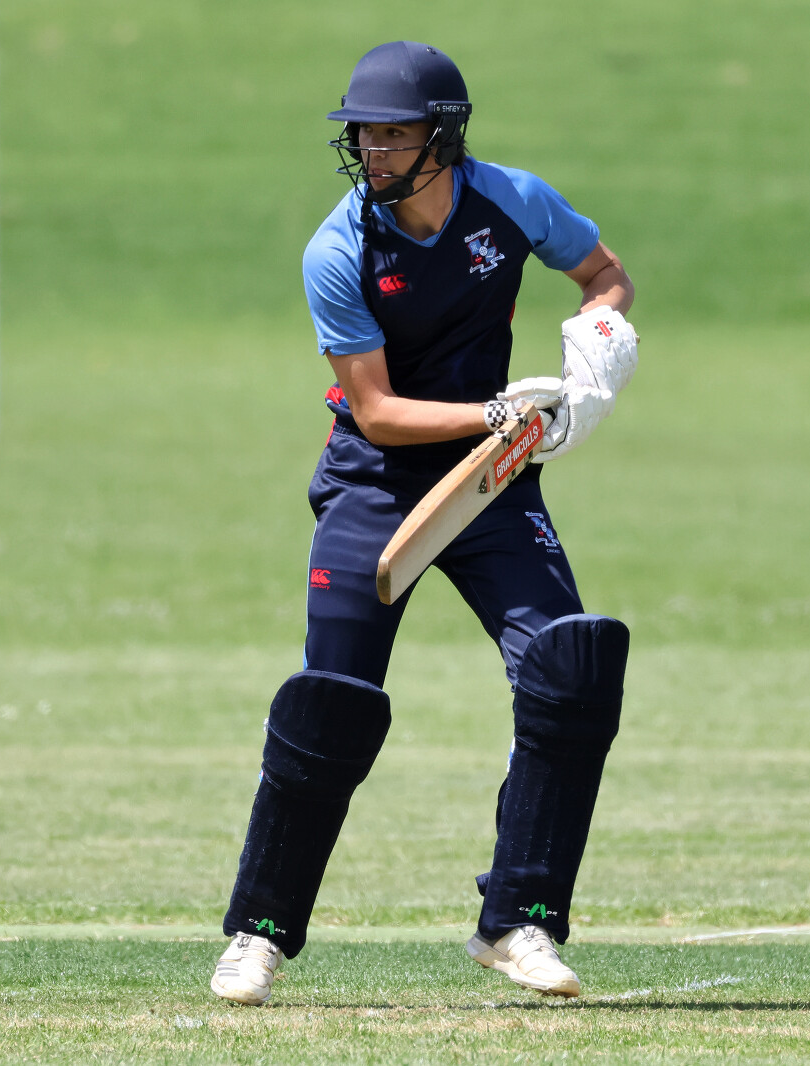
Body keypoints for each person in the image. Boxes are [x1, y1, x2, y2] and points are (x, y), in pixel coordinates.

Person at [209, 41, 638, 1005]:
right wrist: (501, 413)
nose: (373, 150)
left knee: (570, 670)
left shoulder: (514, 200)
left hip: (492, 480)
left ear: (443, 137)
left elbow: (604, 273)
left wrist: (600, 347)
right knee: (332, 702)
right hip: (376, 483)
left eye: (393, 134)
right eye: (363, 134)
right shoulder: (338, 250)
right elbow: (376, 411)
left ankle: (518, 922)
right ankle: (257, 934)